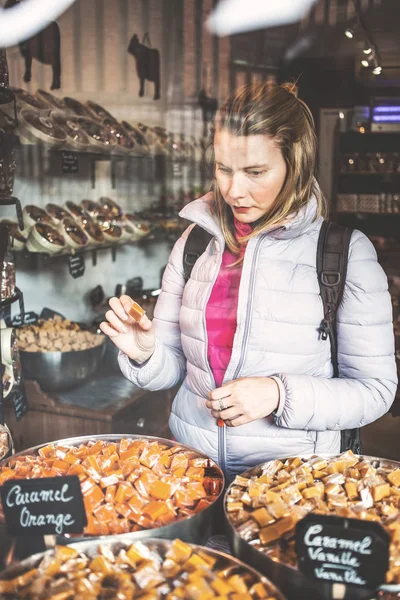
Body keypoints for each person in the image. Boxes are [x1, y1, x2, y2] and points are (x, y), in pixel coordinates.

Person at [101, 82, 397, 478]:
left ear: (297, 164)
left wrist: (279, 394)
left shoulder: (344, 255)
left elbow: (375, 391)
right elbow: (172, 371)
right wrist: (145, 353)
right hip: (195, 473)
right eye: (223, 169)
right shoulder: (195, 243)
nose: (233, 190)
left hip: (289, 484)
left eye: (255, 172)